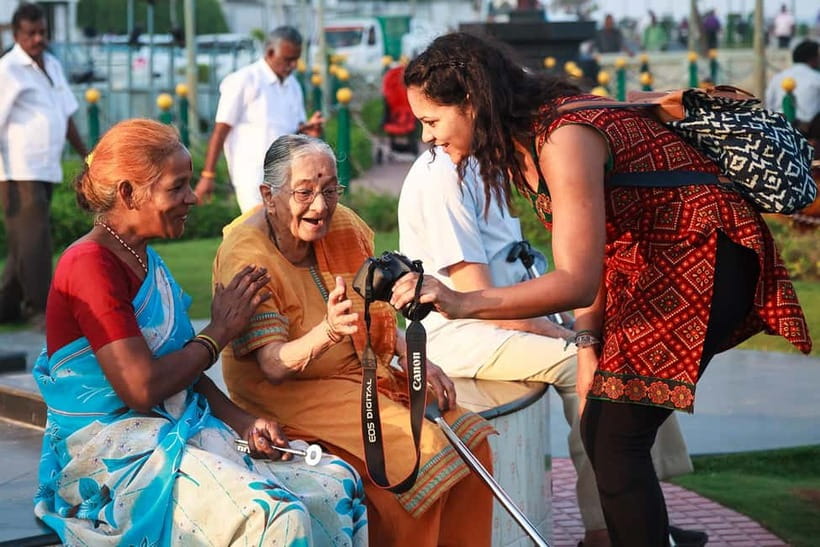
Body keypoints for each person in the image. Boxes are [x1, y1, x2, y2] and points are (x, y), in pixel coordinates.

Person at [392, 32, 811, 547]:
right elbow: (599, 253)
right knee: (606, 434)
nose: (427, 137)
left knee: (616, 440)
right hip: (659, 263)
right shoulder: (526, 142)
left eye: (432, 121)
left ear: (474, 102)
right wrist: (588, 344)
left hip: (704, 257)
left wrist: (460, 302)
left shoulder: (563, 135)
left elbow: (575, 279)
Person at [33, 119, 368, 546]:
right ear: (128, 193)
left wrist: (246, 423)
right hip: (114, 453)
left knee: (337, 484)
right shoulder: (88, 264)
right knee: (274, 517)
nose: (193, 197)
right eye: (178, 187)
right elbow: (142, 388)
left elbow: (183, 377)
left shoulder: (145, 260)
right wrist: (218, 334)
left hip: (175, 430)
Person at [399, 149, 706, 547]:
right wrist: (567, 337)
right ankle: (605, 529)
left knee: (625, 352)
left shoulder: (482, 164)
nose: (427, 135)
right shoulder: (441, 174)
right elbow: (478, 297)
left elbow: (515, 271)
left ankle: (638, 509)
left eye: (432, 121)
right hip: (460, 331)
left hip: (497, 320)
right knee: (586, 367)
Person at [213, 134, 496, 546]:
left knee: (472, 442)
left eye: (330, 190)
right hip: (290, 393)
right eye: (305, 192)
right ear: (268, 196)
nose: (320, 206)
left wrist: (413, 358)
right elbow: (272, 365)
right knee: (416, 454)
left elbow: (373, 312)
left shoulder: (340, 227)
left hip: (361, 375)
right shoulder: (247, 257)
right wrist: (326, 332)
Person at [0, 2, 88, 326]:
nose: (37, 39)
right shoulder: (8, 70)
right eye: (30, 34)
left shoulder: (51, 63)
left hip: (46, 166)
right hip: (17, 170)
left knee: (24, 241)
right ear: (17, 34)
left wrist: (86, 154)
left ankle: (7, 306)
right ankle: (40, 309)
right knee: (36, 238)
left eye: (42, 32)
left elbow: (66, 114)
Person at [194, 26, 323, 212]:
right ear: (270, 53)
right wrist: (208, 175)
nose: (293, 65)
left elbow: (294, 129)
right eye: (288, 59)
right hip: (252, 176)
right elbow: (220, 131)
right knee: (259, 233)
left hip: (288, 174)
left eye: (296, 59)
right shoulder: (243, 80)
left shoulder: (293, 85)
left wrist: (308, 130)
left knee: (286, 235)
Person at [765, 40, 820, 135]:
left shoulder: (777, 78)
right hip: (808, 134)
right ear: (814, 58)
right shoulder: (816, 78)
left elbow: (769, 106)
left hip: (778, 130)